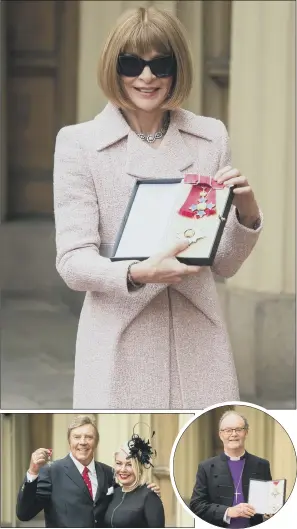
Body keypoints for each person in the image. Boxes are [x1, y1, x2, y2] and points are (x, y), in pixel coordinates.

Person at [53, 6, 263, 409]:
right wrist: (137, 272)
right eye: (131, 63)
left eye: (160, 64)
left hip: (199, 337)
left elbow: (223, 264)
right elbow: (73, 262)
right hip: (120, 339)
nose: (146, 77)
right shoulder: (79, 144)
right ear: (112, 68)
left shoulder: (209, 137)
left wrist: (246, 214)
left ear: (177, 68)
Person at [16, 415, 160, 528]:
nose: (83, 442)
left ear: (96, 442)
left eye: (89, 437)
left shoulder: (109, 473)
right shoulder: (51, 471)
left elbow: (126, 500)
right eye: (77, 437)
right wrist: (32, 472)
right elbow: (24, 513)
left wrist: (146, 492)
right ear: (69, 441)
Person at [189, 411, 273, 527]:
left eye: (238, 429)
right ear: (220, 434)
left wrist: (269, 513)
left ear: (246, 432)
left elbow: (268, 502)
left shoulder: (262, 465)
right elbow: (196, 505)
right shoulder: (206, 467)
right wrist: (228, 511)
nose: (234, 434)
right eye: (228, 430)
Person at [104, 428, 165, 527]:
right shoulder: (115, 492)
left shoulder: (149, 496)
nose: (123, 469)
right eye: (119, 463)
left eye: (129, 464)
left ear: (139, 468)